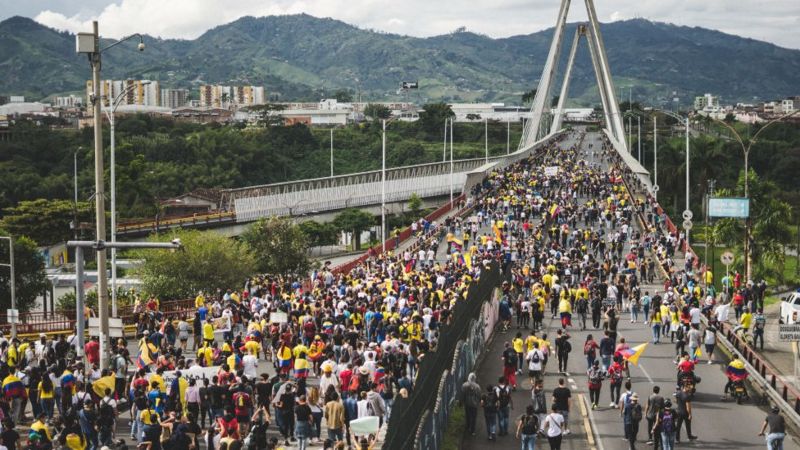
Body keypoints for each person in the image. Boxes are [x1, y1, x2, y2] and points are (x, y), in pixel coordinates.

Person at [461, 372, 481, 437]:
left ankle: (468, 426)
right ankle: (472, 430)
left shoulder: (464, 385)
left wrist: (462, 401)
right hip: (474, 404)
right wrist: (479, 401)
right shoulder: (477, 387)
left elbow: (463, 395)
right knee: (474, 417)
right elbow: (479, 395)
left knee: (468, 415)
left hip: (467, 403)